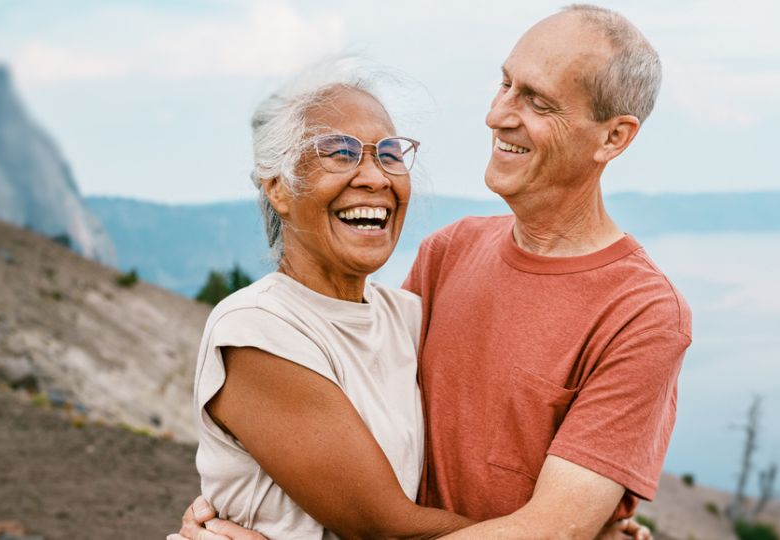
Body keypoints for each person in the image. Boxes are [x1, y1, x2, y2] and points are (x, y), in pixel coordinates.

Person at [178, 4, 689, 539]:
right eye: (505, 84)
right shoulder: (449, 254)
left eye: (537, 101)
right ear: (276, 186)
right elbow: (377, 510)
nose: (497, 114)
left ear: (613, 137)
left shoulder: (643, 313)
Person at [183, 64, 477, 539]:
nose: (375, 177)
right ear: (277, 186)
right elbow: (387, 529)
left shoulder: (406, 318)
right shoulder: (256, 328)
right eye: (339, 153)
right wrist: (568, 532)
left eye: (389, 154)